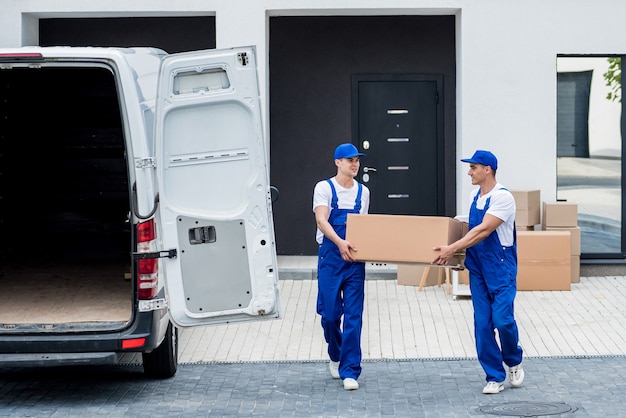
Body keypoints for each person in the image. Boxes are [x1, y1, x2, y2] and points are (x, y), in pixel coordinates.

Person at [432, 149, 524, 395]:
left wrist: (452, 248)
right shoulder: (475, 196)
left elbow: (482, 231)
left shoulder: (503, 198)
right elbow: (468, 231)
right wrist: (458, 256)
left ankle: (513, 360)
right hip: (478, 269)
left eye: (473, 167)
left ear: (488, 170)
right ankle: (494, 376)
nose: (469, 172)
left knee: (503, 320)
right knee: (482, 324)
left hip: (501, 267)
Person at [312, 143, 371, 391]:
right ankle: (335, 354)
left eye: (357, 160)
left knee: (354, 318)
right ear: (338, 162)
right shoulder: (324, 188)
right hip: (331, 257)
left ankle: (350, 371)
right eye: (350, 160)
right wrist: (340, 243)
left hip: (354, 262)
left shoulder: (363, 192)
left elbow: (364, 226)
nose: (355, 164)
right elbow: (321, 220)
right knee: (330, 316)